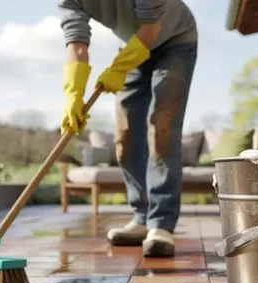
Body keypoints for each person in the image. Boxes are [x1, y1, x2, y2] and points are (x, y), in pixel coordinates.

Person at [58, 0, 198, 258]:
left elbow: (151, 28)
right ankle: (142, 216)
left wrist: (118, 68)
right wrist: (73, 95)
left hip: (175, 41)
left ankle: (161, 224)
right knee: (125, 134)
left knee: (162, 127)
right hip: (132, 45)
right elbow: (76, 43)